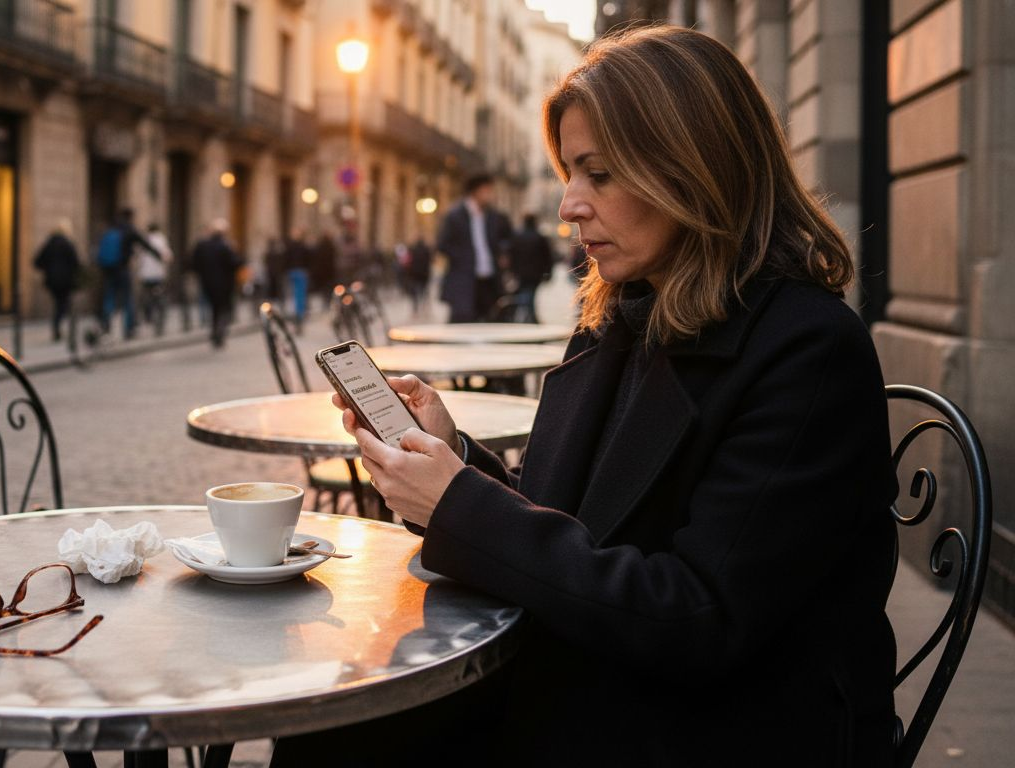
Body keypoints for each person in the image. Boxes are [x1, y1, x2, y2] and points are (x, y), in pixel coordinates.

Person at [275, 26, 897, 766]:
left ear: (695, 170)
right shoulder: (625, 317)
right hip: (593, 672)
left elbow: (698, 618)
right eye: (570, 172)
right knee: (327, 718)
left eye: (598, 174)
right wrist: (455, 460)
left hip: (711, 726)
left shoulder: (807, 350)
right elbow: (569, 522)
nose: (569, 205)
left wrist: (457, 505)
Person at [436, 173, 512, 323]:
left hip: (489, 280)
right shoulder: (455, 215)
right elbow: (443, 245)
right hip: (464, 282)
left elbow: (505, 238)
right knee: (463, 324)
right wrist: (464, 258)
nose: (491, 195)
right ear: (476, 191)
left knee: (492, 322)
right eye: (487, 190)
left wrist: (502, 254)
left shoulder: (493, 216)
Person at [95, 207, 158, 340]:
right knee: (127, 298)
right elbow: (145, 244)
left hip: (109, 269)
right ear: (130, 217)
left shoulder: (112, 229)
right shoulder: (129, 229)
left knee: (109, 297)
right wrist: (159, 255)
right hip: (123, 268)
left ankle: (105, 326)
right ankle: (129, 329)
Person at [190, 219, 243, 349]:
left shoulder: (202, 245)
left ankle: (215, 331)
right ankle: (219, 332)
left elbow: (193, 263)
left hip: (207, 283)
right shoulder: (225, 246)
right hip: (224, 284)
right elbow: (236, 263)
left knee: (214, 308)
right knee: (224, 309)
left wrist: (202, 274)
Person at [32, 219, 81, 341]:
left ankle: (58, 328)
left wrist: (48, 269)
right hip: (65, 280)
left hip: (51, 280)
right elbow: (76, 263)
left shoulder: (49, 243)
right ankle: (59, 327)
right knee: (63, 304)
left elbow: (37, 262)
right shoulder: (68, 243)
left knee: (59, 304)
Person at [505, 213, 555, 322]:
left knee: (525, 292)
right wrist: (548, 272)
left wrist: (512, 270)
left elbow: (512, 256)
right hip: (536, 273)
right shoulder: (539, 237)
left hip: (521, 273)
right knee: (530, 293)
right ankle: (530, 315)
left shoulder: (517, 237)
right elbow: (547, 257)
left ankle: (527, 313)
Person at [137, 221, 174, 336]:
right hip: (158, 274)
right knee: (158, 296)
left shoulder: (145, 239)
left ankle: (148, 317)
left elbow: (139, 257)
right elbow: (168, 256)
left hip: (145, 274)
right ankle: (159, 319)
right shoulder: (161, 239)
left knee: (147, 296)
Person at [284, 228, 311, 328]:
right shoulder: (302, 246)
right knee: (299, 293)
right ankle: (299, 312)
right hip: (298, 271)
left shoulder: (291, 246)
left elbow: (286, 259)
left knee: (297, 293)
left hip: (296, 271)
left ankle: (298, 312)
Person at [404, 235, 433, 315]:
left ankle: (415, 307)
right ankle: (423, 306)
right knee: (423, 290)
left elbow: (409, 261)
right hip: (424, 273)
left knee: (414, 291)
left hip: (414, 273)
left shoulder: (413, 249)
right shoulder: (426, 250)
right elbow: (430, 260)